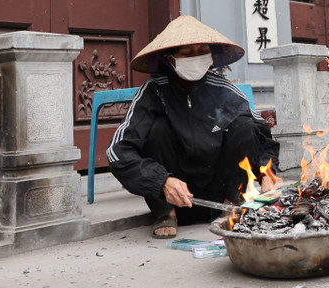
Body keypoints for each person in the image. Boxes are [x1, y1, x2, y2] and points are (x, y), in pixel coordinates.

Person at [107, 15, 280, 239]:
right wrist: (162, 181)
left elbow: (263, 138)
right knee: (157, 129)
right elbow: (118, 151)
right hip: (172, 195)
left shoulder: (225, 90)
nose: (196, 57)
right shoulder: (153, 92)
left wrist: (267, 174)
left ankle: (230, 205)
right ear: (170, 59)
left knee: (244, 126)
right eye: (188, 53)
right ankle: (165, 213)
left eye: (202, 50)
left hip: (219, 194)